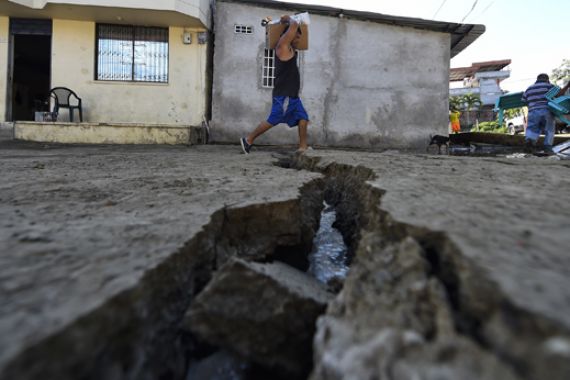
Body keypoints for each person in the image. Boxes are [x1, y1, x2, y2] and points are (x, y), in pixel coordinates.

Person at [240, 15, 309, 154]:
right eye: (296, 36)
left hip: (292, 96)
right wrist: (288, 19)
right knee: (274, 119)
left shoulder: (290, 49)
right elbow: (294, 24)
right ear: (288, 35)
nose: (298, 39)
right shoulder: (282, 46)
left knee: (303, 119)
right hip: (284, 95)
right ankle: (248, 140)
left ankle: (303, 147)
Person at [522, 73, 570, 153]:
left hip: (533, 111)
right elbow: (559, 94)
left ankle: (530, 143)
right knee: (549, 129)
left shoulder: (529, 88)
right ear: (547, 80)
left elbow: (524, 100)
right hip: (547, 110)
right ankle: (547, 147)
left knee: (532, 128)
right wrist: (568, 85)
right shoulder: (549, 86)